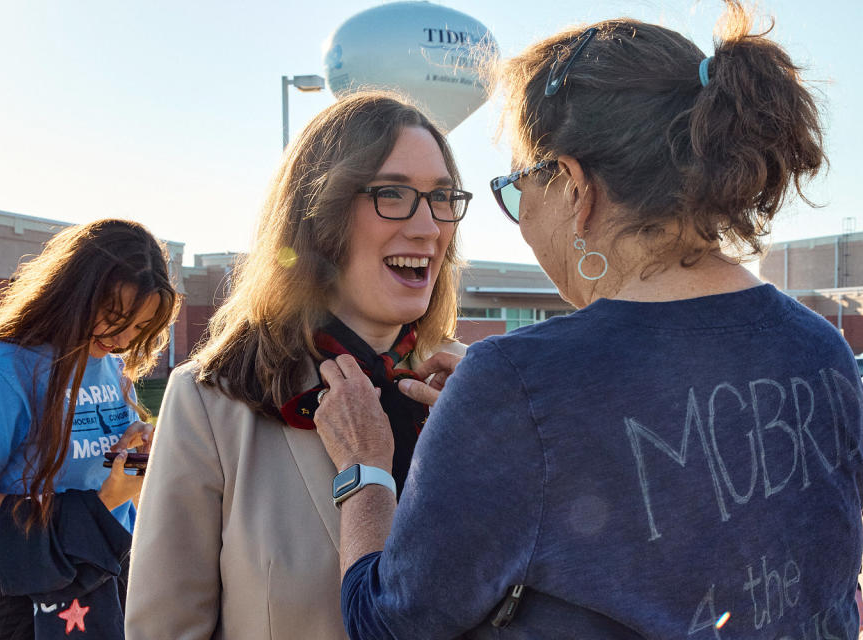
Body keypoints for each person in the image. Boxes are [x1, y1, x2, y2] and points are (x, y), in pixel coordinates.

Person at [313, 4, 863, 639]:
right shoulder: (820, 348)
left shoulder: (518, 384)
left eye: (517, 189)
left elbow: (388, 625)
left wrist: (366, 472)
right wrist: (510, 412)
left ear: (574, 187)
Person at [124, 91, 469, 639]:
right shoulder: (211, 403)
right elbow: (164, 629)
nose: (428, 227)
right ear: (320, 217)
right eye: (394, 194)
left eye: (443, 197)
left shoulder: (478, 391)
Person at [0, 219, 179, 639]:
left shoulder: (109, 364)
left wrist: (137, 454)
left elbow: (110, 481)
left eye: (140, 327)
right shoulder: (5, 370)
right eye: (114, 317)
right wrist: (101, 502)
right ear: (75, 292)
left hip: (112, 575)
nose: (122, 340)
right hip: (35, 591)